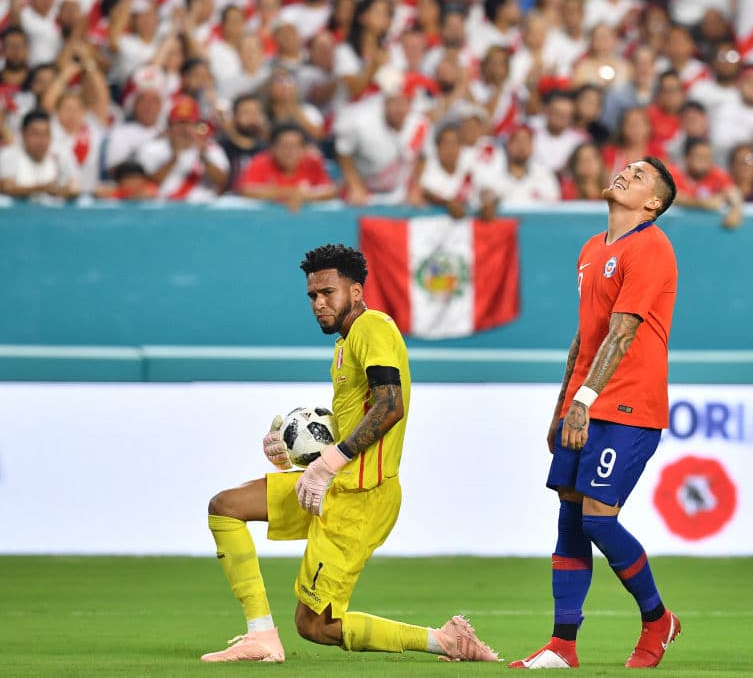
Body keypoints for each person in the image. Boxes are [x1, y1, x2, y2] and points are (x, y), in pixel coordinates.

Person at [201, 243, 501, 664]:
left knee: (316, 626)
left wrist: (325, 465)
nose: (318, 304)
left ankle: (444, 641)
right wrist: (295, 454)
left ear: (356, 292)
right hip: (334, 484)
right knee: (226, 507)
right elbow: (349, 426)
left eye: (328, 292)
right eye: (312, 296)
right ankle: (261, 637)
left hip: (361, 499)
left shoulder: (373, 327)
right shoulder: (343, 345)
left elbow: (389, 406)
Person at [510, 156, 680, 670]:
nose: (626, 172)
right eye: (626, 166)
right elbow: (585, 337)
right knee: (569, 514)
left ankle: (658, 619)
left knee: (599, 519)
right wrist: (562, 407)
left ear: (653, 203)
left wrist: (583, 401)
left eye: (642, 174)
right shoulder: (591, 249)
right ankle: (563, 644)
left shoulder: (651, 246)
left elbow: (623, 331)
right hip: (584, 404)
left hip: (629, 405)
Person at [238, 123, 336, 211]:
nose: (289, 152)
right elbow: (246, 190)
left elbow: (330, 191)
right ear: (273, 148)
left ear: (304, 149)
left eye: (294, 146)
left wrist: (304, 196)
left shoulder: (312, 162)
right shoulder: (260, 161)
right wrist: (288, 193)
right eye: (284, 146)